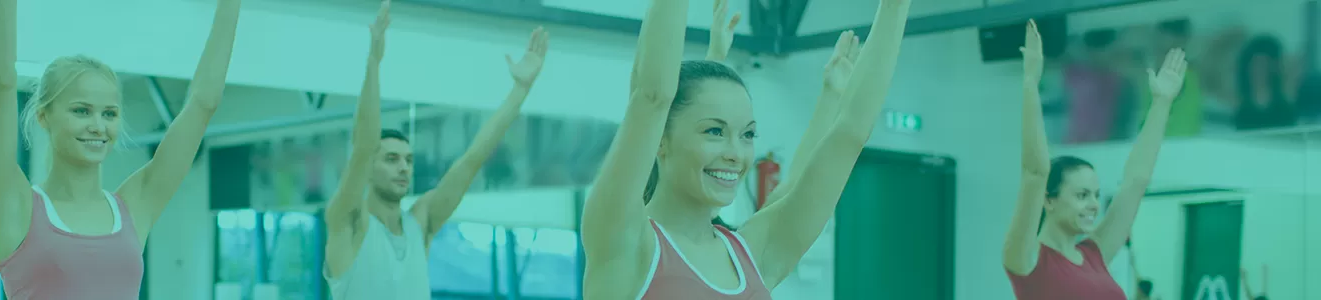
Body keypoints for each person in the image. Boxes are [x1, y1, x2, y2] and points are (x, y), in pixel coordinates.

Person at [579, 0, 911, 297]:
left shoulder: (752, 253)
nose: (736, 153)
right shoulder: (624, 241)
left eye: (748, 135)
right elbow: (652, 95)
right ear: (660, 140)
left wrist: (895, 7)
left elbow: (850, 134)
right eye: (714, 131)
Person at [0, 0, 239, 298]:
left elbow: (203, 103)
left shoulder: (133, 206)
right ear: (43, 115)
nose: (98, 126)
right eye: (81, 111)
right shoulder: (14, 206)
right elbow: (0, 81)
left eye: (109, 114)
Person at [320, 1, 547, 298]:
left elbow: (471, 161)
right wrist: (373, 63)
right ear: (370, 170)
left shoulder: (421, 223)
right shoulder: (349, 222)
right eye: (391, 159)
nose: (404, 167)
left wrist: (520, 91)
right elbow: (363, 146)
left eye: (408, 160)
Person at [1003, 21, 1188, 300]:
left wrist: (1161, 103)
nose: (1093, 204)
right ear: (1049, 200)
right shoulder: (1027, 258)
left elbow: (1136, 181)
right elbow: (1035, 172)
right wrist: (1030, 84)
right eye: (1081, 195)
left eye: (1095, 195)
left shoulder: (1094, 254)